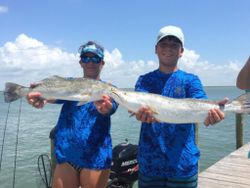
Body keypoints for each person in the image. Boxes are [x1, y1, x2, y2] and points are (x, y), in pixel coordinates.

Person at [134, 25, 227, 188]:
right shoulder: (144, 80)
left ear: (181, 51)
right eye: (164, 44)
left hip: (183, 164)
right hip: (149, 162)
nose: (168, 49)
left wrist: (213, 114)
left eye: (174, 45)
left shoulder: (191, 80)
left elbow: (201, 103)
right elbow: (137, 107)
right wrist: (138, 113)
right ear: (156, 49)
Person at [27, 41, 118, 188]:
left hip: (95, 156)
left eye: (95, 58)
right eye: (86, 58)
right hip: (66, 154)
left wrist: (106, 109)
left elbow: (113, 106)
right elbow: (53, 95)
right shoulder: (69, 84)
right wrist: (39, 97)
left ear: (102, 63)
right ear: (80, 62)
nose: (90, 62)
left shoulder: (109, 88)